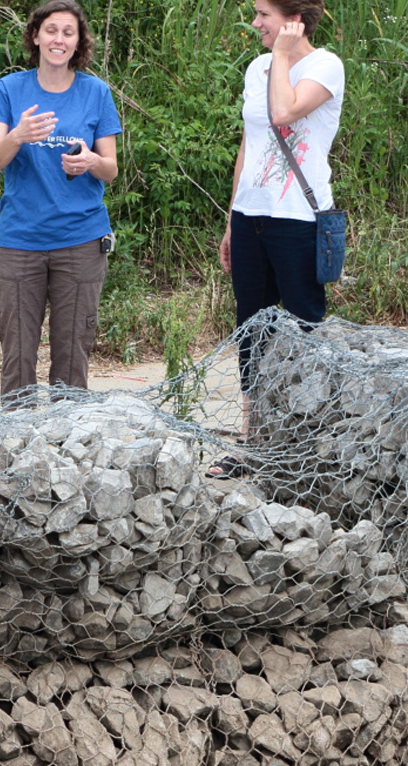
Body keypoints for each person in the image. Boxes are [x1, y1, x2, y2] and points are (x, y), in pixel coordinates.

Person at [209, 0, 343, 479]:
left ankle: (307, 440)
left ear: (293, 18)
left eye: (263, 14)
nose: (255, 23)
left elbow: (284, 111)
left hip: (298, 219)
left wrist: (284, 53)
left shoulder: (326, 65)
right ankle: (253, 442)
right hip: (252, 215)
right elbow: (251, 140)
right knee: (251, 327)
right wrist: (231, 218)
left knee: (305, 324)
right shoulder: (257, 66)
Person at [0, 0, 121, 403]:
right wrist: (18, 135)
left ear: (79, 43)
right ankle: (19, 442)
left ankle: (66, 444)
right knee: (18, 354)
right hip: (19, 240)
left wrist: (91, 162)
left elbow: (111, 169)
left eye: (68, 32)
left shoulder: (95, 92)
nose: (59, 39)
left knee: (72, 351)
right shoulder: (9, 89)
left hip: (80, 240)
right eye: (52, 30)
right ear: (36, 36)